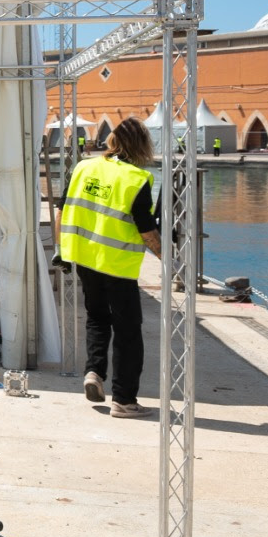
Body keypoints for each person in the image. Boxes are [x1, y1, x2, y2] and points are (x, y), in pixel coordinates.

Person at [59, 116, 163, 419]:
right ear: (142, 146)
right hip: (118, 265)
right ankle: (124, 400)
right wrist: (170, 259)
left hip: (85, 259)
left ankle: (93, 372)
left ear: (112, 141)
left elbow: (63, 210)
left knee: (97, 318)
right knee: (128, 331)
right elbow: (147, 231)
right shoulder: (137, 179)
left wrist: (62, 252)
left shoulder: (84, 167)